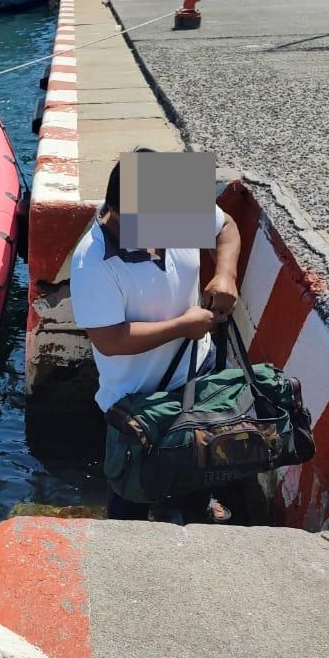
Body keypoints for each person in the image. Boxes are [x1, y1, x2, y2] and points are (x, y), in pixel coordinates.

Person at [70, 153, 242, 524]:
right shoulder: (92, 263)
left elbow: (225, 226)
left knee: (199, 459)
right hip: (136, 400)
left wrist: (226, 274)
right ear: (118, 213)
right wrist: (183, 326)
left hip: (198, 372)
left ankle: (197, 507)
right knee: (132, 491)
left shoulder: (165, 200)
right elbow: (110, 340)